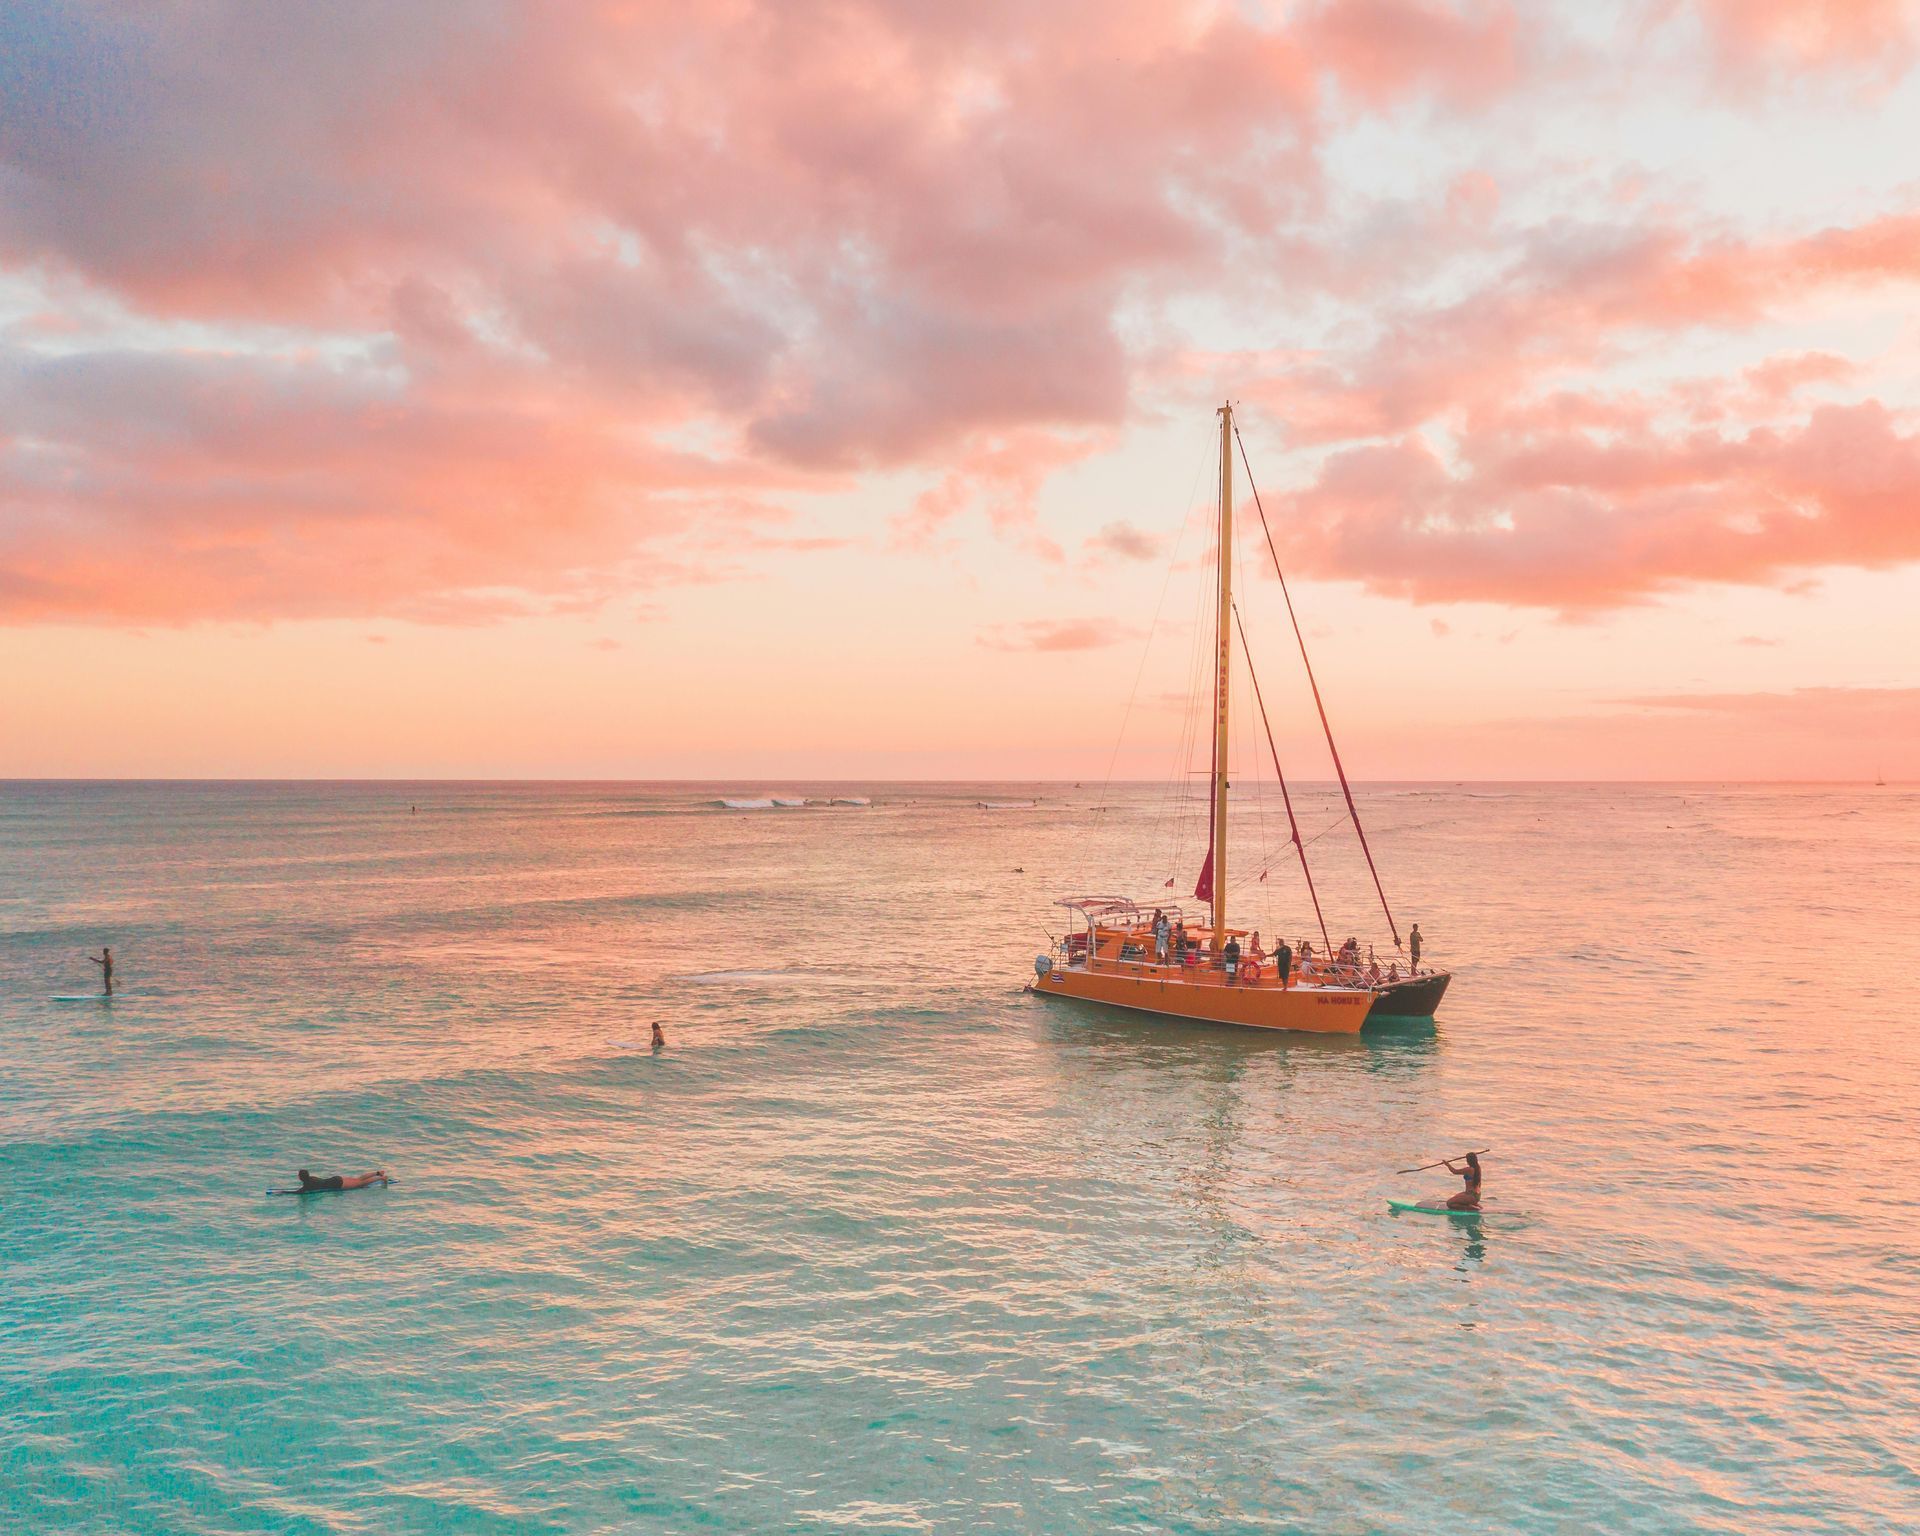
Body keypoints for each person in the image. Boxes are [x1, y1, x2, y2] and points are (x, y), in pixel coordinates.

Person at [296, 1167, 388, 1193]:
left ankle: (381, 1178)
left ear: (300, 1177)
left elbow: (299, 1192)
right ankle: (378, 1173)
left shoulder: (307, 1185)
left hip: (339, 1184)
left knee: (361, 1184)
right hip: (337, 1178)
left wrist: (283, 1193)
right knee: (358, 1179)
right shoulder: (312, 1178)